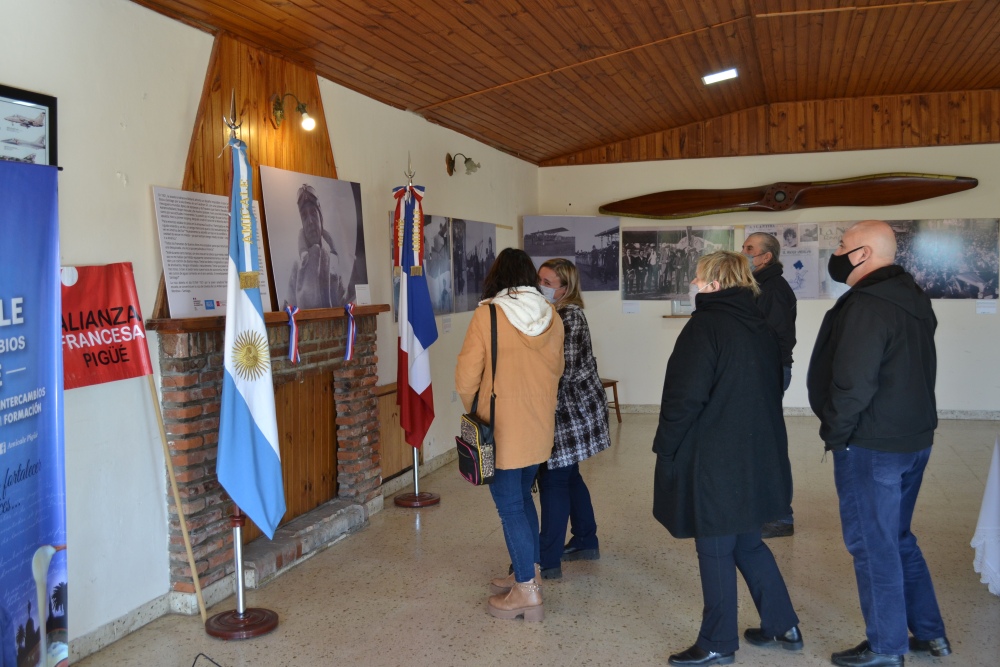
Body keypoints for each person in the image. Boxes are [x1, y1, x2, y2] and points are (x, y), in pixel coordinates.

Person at [807, 220, 949, 667]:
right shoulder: (911, 295)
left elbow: (853, 380)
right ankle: (929, 633)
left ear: (864, 254)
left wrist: (836, 433)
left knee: (874, 545)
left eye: (842, 245)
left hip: (872, 444)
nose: (836, 252)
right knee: (897, 537)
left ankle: (888, 647)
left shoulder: (867, 304)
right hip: (912, 438)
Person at [653, 251, 800, 666]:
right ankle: (781, 622)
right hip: (757, 453)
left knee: (715, 547)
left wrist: (666, 446)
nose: (695, 284)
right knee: (749, 544)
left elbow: (684, 399)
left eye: (699, 278)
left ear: (714, 283)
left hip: (716, 456)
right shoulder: (759, 324)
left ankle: (717, 642)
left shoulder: (705, 327)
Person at [455, 248, 565, 622]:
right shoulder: (552, 315)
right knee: (522, 497)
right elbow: (557, 370)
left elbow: (467, 374)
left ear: (497, 276)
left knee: (510, 507)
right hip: (538, 426)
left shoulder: (489, 314)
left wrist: (475, 407)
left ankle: (526, 591)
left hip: (502, 425)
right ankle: (528, 571)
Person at [535, 258, 611, 579]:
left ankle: (546, 560)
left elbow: (558, 371)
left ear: (565, 288)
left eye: (548, 283)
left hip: (568, 414)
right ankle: (585, 539)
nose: (541, 286)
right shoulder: (554, 314)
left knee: (554, 480)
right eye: (540, 279)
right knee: (570, 476)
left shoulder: (570, 316)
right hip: (564, 410)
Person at [743, 232, 798, 539]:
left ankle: (780, 517)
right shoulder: (760, 285)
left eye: (749, 249)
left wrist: (758, 372)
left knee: (770, 444)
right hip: (761, 371)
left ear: (765, 257)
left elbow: (774, 339)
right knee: (761, 442)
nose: (744, 253)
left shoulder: (773, 289)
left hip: (767, 371)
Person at [285, 184, 345, 309]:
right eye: (304, 216)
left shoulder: (335, 264)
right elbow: (287, 310)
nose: (310, 221)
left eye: (313, 213)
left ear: (320, 217)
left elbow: (345, 303)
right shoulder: (295, 268)